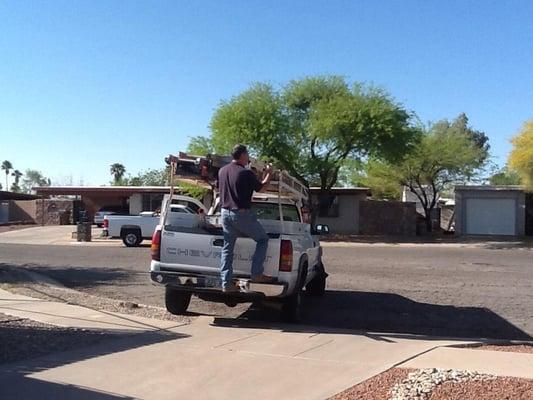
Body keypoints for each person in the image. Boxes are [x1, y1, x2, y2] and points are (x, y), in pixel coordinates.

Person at [218, 144, 276, 292]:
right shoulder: (246, 173)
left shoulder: (222, 171)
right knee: (262, 239)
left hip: (224, 213)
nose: (249, 156)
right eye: (248, 153)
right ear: (243, 155)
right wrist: (269, 173)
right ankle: (256, 274)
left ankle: (226, 283)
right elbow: (261, 188)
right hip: (241, 214)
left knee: (227, 248)